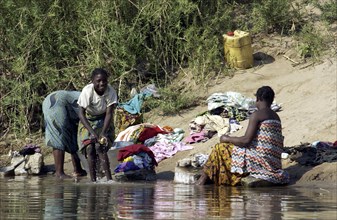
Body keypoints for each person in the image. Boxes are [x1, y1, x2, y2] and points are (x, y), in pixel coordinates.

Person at [196, 86, 289, 186]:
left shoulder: (257, 115)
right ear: (271, 101)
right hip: (273, 162)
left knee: (219, 148)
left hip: (260, 160)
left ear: (258, 99)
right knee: (225, 149)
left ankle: (202, 181)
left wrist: (227, 138)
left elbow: (246, 141)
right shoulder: (276, 116)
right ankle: (207, 179)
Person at [77, 68, 118, 182]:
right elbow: (81, 114)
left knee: (101, 147)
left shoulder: (111, 92)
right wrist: (92, 132)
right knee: (90, 148)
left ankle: (109, 179)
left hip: (103, 119)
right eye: (98, 81)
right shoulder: (87, 91)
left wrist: (103, 133)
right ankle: (93, 180)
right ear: (92, 81)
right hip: (87, 121)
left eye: (104, 81)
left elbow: (109, 114)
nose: (102, 84)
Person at [42, 90, 87, 178]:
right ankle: (59, 173)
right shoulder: (95, 101)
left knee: (74, 136)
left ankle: (78, 169)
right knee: (58, 134)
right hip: (56, 102)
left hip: (61, 103)